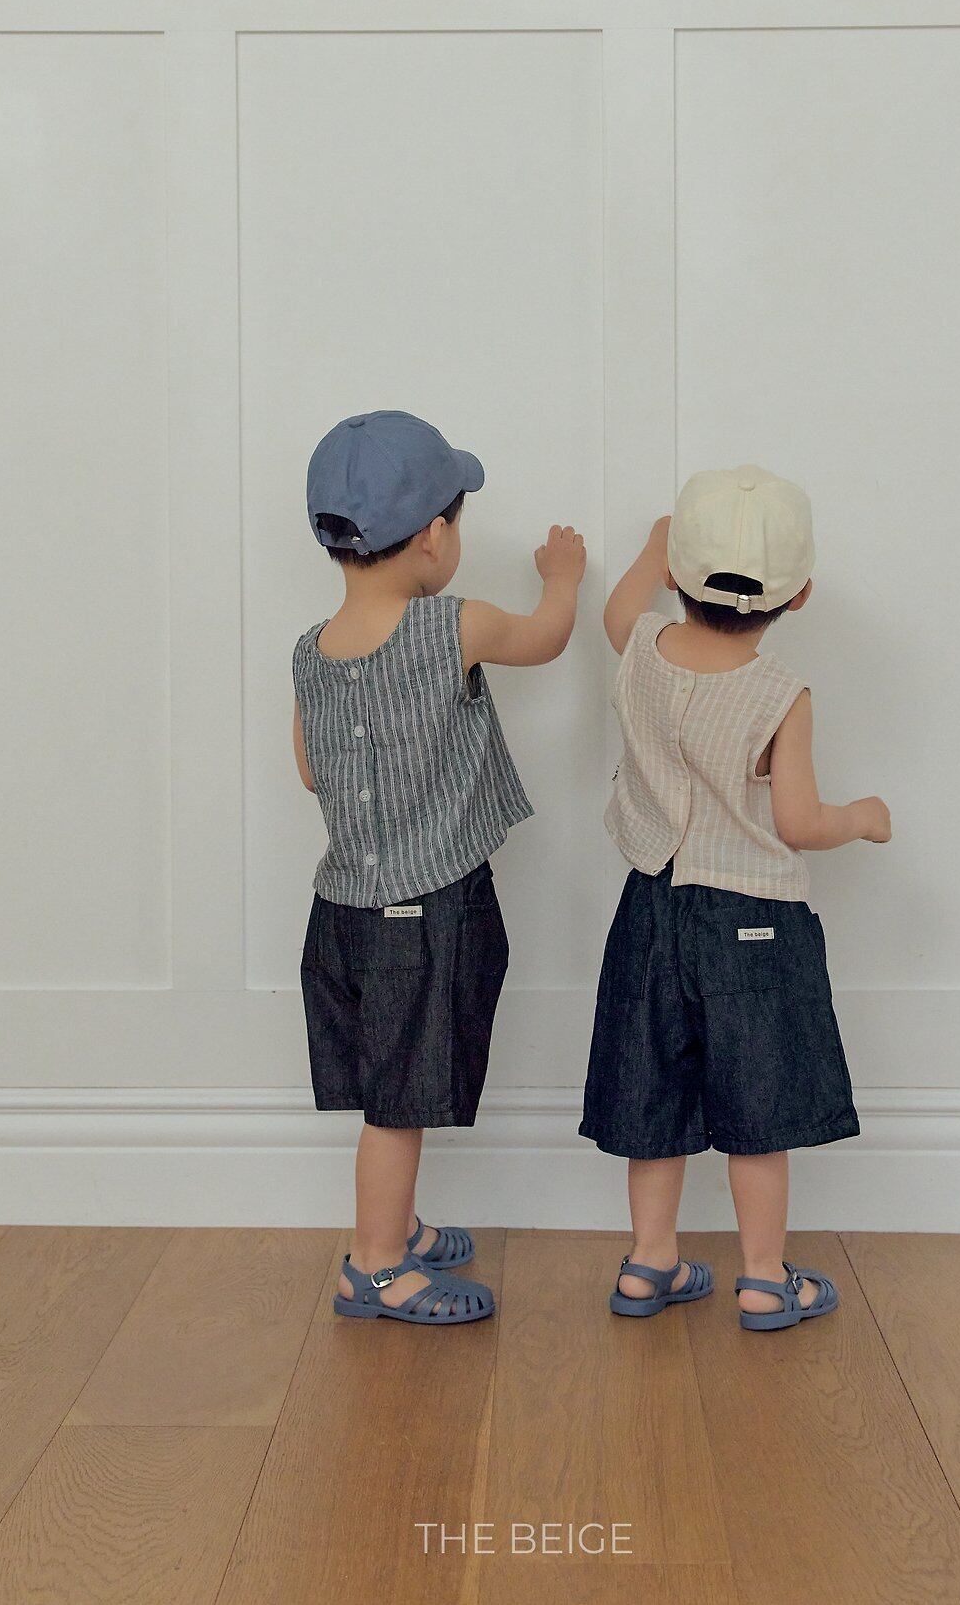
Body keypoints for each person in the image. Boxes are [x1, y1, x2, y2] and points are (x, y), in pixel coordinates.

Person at [579, 465, 890, 1328]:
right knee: (760, 1103)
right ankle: (762, 1277)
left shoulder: (641, 645)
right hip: (751, 917)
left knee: (654, 1091)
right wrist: (860, 817)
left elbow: (616, 611)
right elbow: (798, 821)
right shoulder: (781, 694)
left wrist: (652, 545)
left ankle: (649, 1263)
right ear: (801, 594)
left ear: (675, 574)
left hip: (650, 905)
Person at [293, 409, 586, 1325]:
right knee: (397, 1107)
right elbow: (546, 637)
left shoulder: (310, 651)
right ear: (433, 537)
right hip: (419, 915)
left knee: (390, 1089)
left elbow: (309, 769)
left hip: (342, 911)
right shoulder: (453, 627)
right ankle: (376, 1265)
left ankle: (398, 1227)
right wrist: (563, 579)